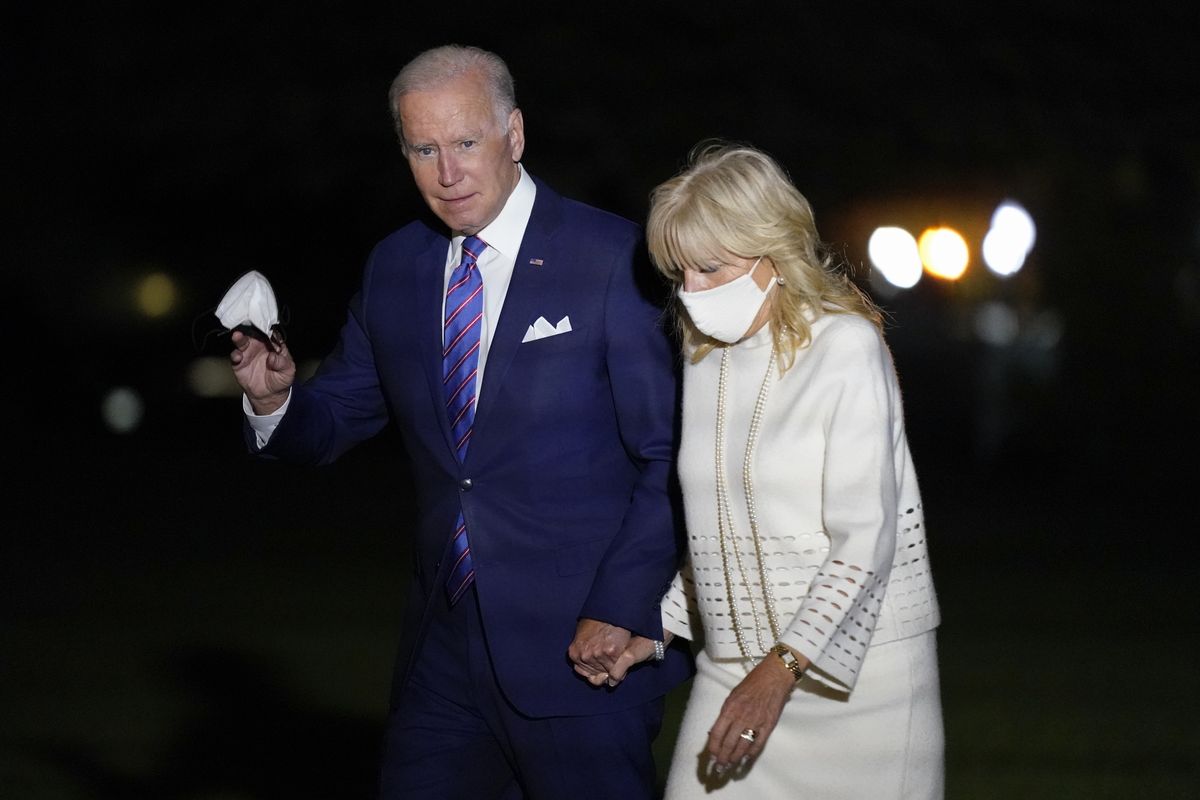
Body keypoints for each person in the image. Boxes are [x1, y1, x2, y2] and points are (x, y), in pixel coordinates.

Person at [227, 44, 692, 799]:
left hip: (584, 645)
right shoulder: (396, 266)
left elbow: (669, 457)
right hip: (444, 648)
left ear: (514, 134)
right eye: (424, 149)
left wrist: (622, 607)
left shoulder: (614, 258)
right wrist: (277, 400)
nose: (448, 172)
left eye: (467, 142)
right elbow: (336, 417)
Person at [597, 142, 944, 798]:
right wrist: (658, 628)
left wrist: (778, 672)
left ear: (773, 254)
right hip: (734, 667)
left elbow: (865, 542)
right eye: (680, 272)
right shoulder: (705, 356)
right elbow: (719, 534)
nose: (691, 292)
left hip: (860, 681)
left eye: (710, 268)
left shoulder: (846, 346)